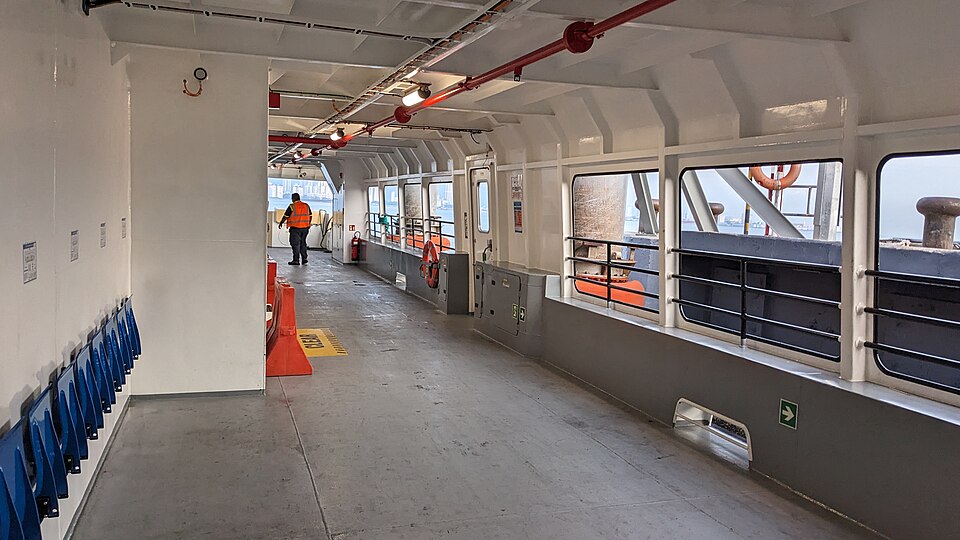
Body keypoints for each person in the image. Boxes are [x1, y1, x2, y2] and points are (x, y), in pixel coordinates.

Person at [278, 193, 312, 265]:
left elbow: (286, 216)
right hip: (305, 228)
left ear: (293, 198)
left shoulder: (292, 206)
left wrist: (281, 222)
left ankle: (296, 260)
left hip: (295, 228)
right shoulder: (306, 205)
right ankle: (304, 259)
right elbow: (310, 215)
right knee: (303, 243)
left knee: (295, 244)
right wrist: (308, 224)